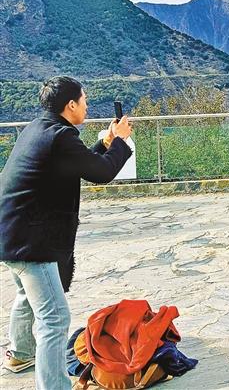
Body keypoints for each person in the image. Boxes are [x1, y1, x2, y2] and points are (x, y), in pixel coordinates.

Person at [0, 76, 133, 388]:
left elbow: (81, 163)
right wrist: (122, 142)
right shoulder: (60, 137)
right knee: (55, 317)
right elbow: (101, 172)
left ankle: (21, 354)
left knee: (27, 294)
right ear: (71, 104)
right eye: (84, 100)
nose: (87, 106)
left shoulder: (40, 128)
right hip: (31, 241)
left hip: (11, 233)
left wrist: (107, 143)